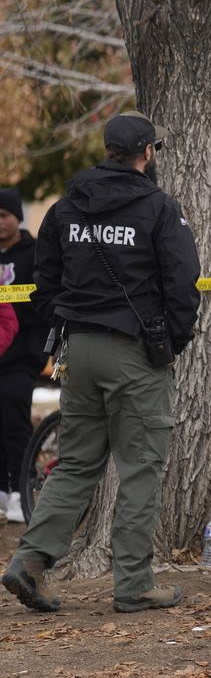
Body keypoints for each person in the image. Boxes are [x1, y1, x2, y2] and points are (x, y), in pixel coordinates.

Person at [2, 111, 201, 614]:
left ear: (107, 149)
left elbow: (44, 281)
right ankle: (133, 582)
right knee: (140, 468)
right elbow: (182, 283)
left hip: (78, 349)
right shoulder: (158, 208)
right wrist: (169, 342)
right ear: (147, 152)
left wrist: (65, 320)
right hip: (135, 353)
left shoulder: (67, 206)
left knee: (75, 466)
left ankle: (29, 561)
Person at [0, 187, 47, 523]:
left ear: (17, 216)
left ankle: (20, 490)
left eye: (4, 215)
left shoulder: (33, 254)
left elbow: (43, 303)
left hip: (21, 357)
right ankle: (2, 492)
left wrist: (35, 351)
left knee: (15, 420)